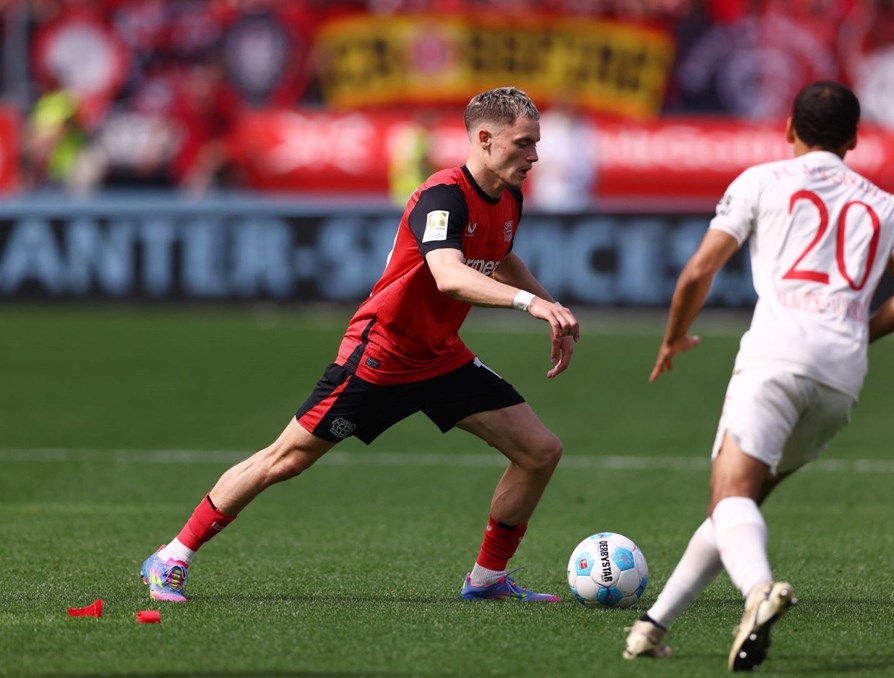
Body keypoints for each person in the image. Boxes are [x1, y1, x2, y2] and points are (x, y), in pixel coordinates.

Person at [140, 86, 580, 604]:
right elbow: (448, 275)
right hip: (381, 355)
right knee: (286, 459)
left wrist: (553, 308)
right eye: (524, 144)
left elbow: (500, 254)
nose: (534, 156)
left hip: (440, 356)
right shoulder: (441, 197)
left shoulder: (510, 198)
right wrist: (529, 306)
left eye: (537, 144)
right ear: (484, 139)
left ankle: (486, 580)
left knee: (539, 451)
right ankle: (171, 555)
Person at [622, 81, 894, 672]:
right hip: (842, 376)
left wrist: (671, 338)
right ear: (854, 139)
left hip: (776, 354)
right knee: (736, 509)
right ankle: (652, 626)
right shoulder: (887, 205)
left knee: (730, 498)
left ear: (788, 128)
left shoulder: (761, 181)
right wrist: (856, 333)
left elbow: (696, 272)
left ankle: (758, 592)